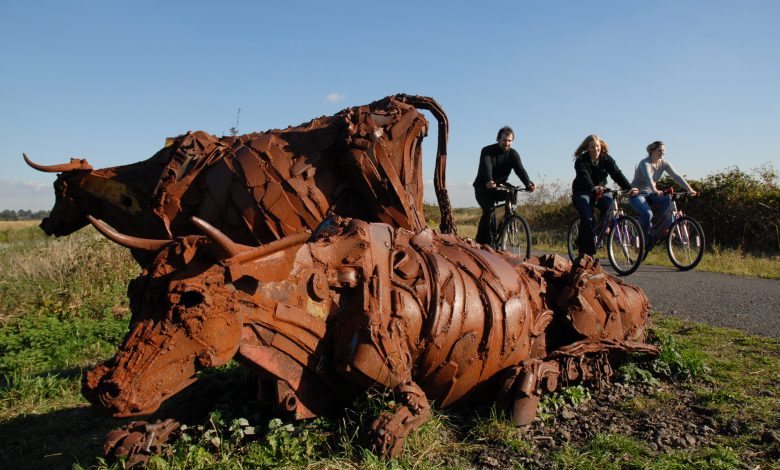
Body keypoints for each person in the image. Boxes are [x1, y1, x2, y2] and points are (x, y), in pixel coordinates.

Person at [571, 134, 638, 256]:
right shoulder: (581, 160)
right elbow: (584, 176)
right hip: (583, 191)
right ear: (587, 148)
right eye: (592, 147)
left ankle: (603, 229)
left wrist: (629, 188)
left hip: (601, 190)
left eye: (597, 146)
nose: (595, 149)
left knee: (610, 203)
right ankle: (586, 254)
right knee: (588, 218)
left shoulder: (606, 159)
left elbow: (617, 173)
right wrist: (593, 188)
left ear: (601, 146)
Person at [473, 126, 536, 245]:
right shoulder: (487, 150)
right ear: (498, 139)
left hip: (499, 185)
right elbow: (486, 166)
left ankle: (508, 220)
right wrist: (489, 180)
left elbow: (520, 170)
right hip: (483, 187)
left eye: (509, 141)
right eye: (504, 140)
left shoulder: (513, 154)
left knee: (512, 191)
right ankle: (483, 241)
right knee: (489, 211)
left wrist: (528, 183)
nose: (507, 143)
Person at [629, 140, 697, 245]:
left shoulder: (664, 163)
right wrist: (655, 190)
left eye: (664, 150)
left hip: (651, 194)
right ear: (652, 151)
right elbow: (648, 178)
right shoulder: (645, 163)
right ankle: (643, 237)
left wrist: (689, 189)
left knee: (667, 199)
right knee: (647, 214)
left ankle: (665, 228)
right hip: (637, 194)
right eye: (660, 150)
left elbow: (676, 176)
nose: (662, 152)